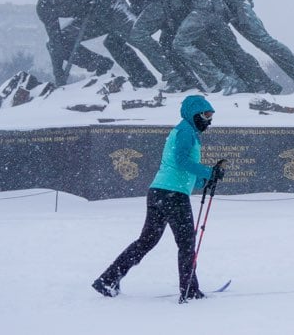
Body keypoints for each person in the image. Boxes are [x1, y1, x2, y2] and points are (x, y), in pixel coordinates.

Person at [92, 95, 226, 301]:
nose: (209, 120)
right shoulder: (185, 131)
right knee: (187, 243)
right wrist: (209, 172)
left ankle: (108, 279)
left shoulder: (185, 131)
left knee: (146, 242)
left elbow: (182, 168)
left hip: (158, 193)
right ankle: (189, 290)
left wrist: (206, 179)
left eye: (211, 116)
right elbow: (181, 161)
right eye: (207, 115)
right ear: (195, 114)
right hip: (173, 196)